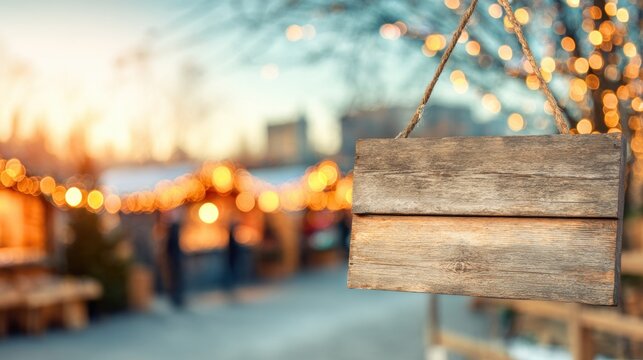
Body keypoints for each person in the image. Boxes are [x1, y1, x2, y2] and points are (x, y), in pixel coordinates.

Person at [165, 210, 185, 309]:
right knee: (176, 279)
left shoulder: (172, 230)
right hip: (175, 259)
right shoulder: (174, 230)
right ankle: (177, 298)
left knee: (176, 279)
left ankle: (176, 298)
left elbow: (169, 247)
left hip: (174, 259)